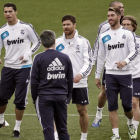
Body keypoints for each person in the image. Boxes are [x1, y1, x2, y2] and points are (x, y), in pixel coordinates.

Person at [96, 7, 137, 140]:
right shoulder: (103, 36)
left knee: (127, 105)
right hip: (110, 75)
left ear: (119, 16)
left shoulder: (127, 34)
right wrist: (97, 75)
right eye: (108, 16)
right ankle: (116, 135)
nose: (109, 18)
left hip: (125, 74)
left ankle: (131, 123)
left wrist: (125, 62)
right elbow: (101, 56)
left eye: (112, 15)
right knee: (112, 105)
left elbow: (134, 52)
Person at [0, 3, 41, 138]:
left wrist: (28, 54)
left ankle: (17, 129)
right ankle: (1, 120)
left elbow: (37, 42)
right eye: (5, 12)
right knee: (1, 97)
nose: (7, 14)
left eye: (10, 11)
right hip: (7, 68)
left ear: (16, 12)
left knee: (20, 100)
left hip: (24, 68)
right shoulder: (2, 31)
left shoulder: (26, 27)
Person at [31, 30, 73, 140]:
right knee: (62, 129)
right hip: (61, 97)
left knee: (48, 129)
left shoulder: (38, 58)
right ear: (55, 41)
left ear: (41, 43)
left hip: (44, 97)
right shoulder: (65, 57)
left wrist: (35, 98)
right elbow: (69, 80)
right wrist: (67, 98)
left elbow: (34, 81)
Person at [56, 15, 93, 140]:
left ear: (74, 25)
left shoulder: (83, 42)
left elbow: (89, 62)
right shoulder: (57, 42)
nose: (65, 27)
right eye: (64, 25)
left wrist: (81, 74)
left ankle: (83, 138)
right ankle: (57, 136)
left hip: (79, 82)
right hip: (62, 83)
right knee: (59, 111)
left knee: (82, 111)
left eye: (68, 24)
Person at [92, 0, 125, 127]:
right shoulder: (104, 26)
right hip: (110, 66)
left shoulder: (127, 23)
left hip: (127, 66)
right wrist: (93, 63)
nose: (121, 9)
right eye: (118, 7)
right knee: (105, 92)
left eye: (122, 7)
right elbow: (97, 46)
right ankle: (98, 114)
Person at [122, 15, 140, 136]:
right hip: (123, 76)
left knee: (134, 102)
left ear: (134, 27)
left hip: (137, 75)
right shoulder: (118, 41)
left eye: (129, 24)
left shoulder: (139, 41)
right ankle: (130, 121)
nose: (126, 27)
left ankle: (134, 130)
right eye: (124, 25)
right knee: (126, 104)